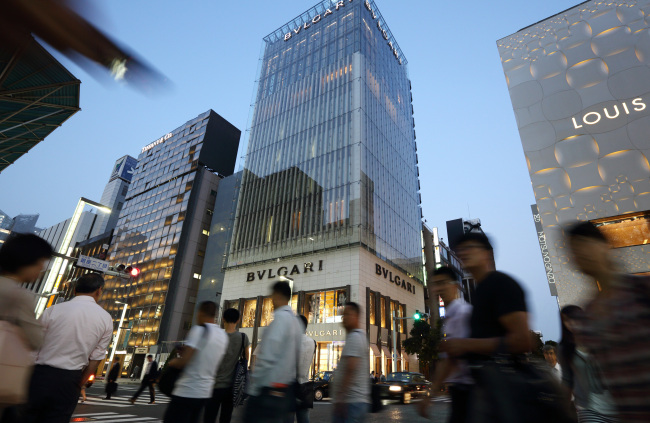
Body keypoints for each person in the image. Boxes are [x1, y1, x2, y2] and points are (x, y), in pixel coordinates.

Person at [442, 232, 532, 422]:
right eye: (460, 250)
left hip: (505, 389)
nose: (463, 253)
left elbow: (522, 341)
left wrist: (466, 345)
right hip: (486, 389)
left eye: (470, 247)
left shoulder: (501, 284)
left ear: (487, 254)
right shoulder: (479, 291)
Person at [567, 221, 650, 422]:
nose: (580, 253)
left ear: (605, 244)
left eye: (584, 243)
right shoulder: (587, 316)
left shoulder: (641, 289)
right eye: (573, 249)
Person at [24, 273, 113, 423]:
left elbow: (33, 344)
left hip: (39, 374)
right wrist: (80, 382)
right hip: (70, 379)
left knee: (26, 417)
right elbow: (96, 358)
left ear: (74, 290)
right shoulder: (105, 319)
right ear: (99, 290)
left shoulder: (53, 310)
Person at [0, 234, 51, 423]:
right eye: (41, 262)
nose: (42, 269)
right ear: (26, 261)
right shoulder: (18, 295)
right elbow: (35, 339)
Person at [419, 266, 474, 423]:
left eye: (443, 283)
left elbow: (450, 359)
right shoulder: (450, 317)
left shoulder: (462, 313)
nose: (438, 288)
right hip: (461, 390)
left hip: (468, 389)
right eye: (435, 284)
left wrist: (430, 395)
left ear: (456, 286)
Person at [243, 281, 302, 423]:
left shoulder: (280, 320)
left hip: (268, 389)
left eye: (272, 296)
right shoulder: (296, 322)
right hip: (284, 388)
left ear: (276, 295)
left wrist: (254, 388)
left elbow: (267, 358)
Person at [163, 301, 228, 423]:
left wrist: (173, 362)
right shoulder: (222, 336)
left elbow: (183, 362)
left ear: (200, 313)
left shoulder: (198, 330)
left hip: (187, 390)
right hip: (204, 393)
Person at [559, 305, 618, 423]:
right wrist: (562, 410)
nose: (572, 323)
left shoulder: (601, 339)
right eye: (566, 320)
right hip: (588, 408)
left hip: (617, 404)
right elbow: (567, 380)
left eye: (575, 318)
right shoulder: (564, 349)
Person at [204, 308, 250, 423]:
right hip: (231, 386)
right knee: (225, 417)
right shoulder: (243, 338)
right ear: (238, 320)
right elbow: (246, 359)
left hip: (213, 385)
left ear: (223, 319)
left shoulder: (215, 337)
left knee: (209, 417)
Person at [331, 302, 370, 423]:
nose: (344, 318)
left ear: (356, 316)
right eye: (343, 315)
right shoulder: (360, 336)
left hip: (351, 403)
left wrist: (341, 396)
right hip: (354, 402)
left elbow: (350, 369)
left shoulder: (354, 338)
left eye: (348, 314)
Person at [286, 314, 317, 423]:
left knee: (288, 417)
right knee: (304, 417)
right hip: (304, 385)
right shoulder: (313, 342)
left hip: (290, 386)